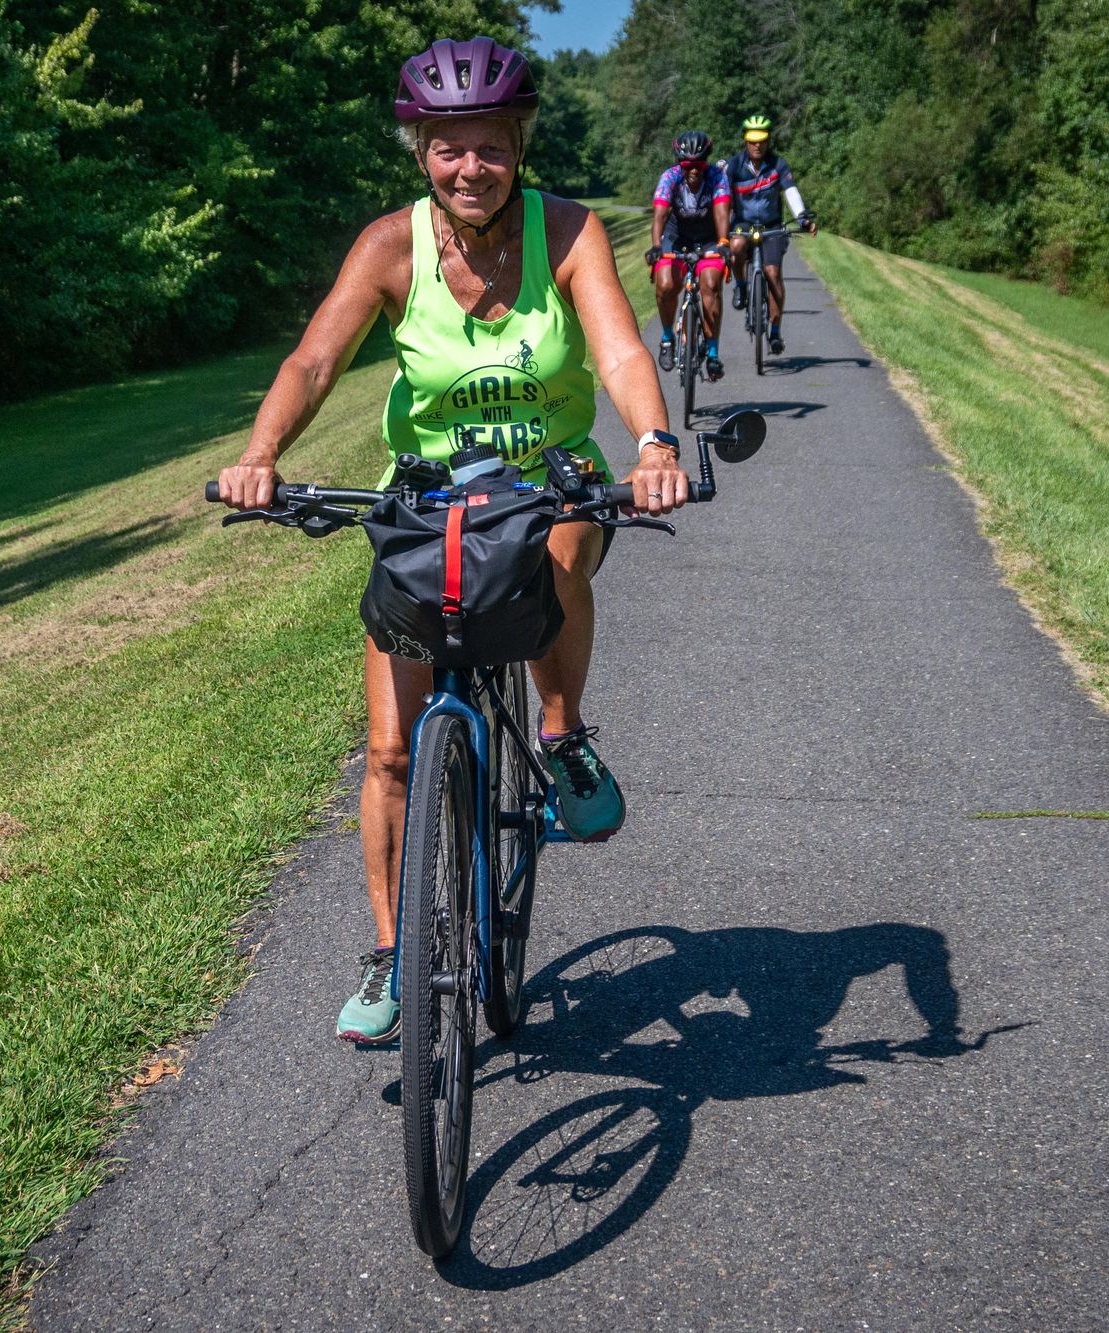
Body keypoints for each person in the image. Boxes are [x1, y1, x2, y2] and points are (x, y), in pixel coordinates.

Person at [215, 37, 689, 1044]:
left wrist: (650, 443)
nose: (469, 168)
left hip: (545, 478)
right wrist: (260, 451)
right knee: (389, 752)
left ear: (517, 145)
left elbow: (613, 344)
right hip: (425, 498)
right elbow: (312, 361)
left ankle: (558, 736)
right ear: (419, 150)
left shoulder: (565, 232)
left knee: (564, 540)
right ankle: (391, 953)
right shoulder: (390, 246)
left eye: (489, 147)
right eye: (446, 149)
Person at [723, 114, 813, 356]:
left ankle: (774, 331)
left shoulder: (778, 165)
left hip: (772, 225)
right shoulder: (734, 166)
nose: (757, 145)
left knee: (773, 274)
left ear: (768, 140)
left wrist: (803, 216)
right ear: (745, 141)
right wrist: (720, 225)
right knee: (737, 247)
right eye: (752, 141)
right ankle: (742, 286)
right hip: (743, 223)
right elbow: (723, 197)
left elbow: (791, 191)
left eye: (762, 140)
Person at [645, 130, 732, 379]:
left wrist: (724, 241)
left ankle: (713, 353)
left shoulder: (717, 177)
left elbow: (722, 212)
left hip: (708, 238)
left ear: (707, 162)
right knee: (665, 285)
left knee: (711, 286)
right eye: (688, 165)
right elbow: (660, 213)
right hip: (676, 236)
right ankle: (666, 338)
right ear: (679, 163)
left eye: (699, 164)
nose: (694, 170)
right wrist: (655, 246)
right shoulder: (669, 178)